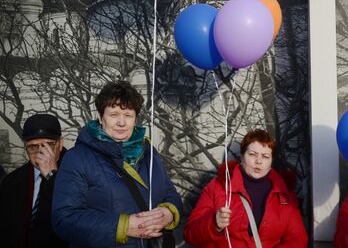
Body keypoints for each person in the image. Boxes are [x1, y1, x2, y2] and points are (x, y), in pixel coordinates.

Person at [52, 80, 183, 247]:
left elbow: (170, 193)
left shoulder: (149, 152)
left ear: (135, 119)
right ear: (100, 117)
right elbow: (64, 219)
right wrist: (123, 226)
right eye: (113, 115)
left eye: (128, 115)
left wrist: (168, 212)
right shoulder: (77, 158)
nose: (121, 122)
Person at [184, 129, 308, 248]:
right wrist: (213, 224)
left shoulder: (284, 193)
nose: (258, 161)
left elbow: (297, 238)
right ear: (242, 156)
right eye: (252, 154)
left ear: (271, 161)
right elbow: (190, 234)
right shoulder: (218, 187)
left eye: (265, 156)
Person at [0, 113, 68, 248]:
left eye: (48, 145)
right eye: (33, 147)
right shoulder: (12, 181)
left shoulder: (78, 171)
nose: (40, 152)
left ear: (60, 144)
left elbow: (73, 219)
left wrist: (51, 175)